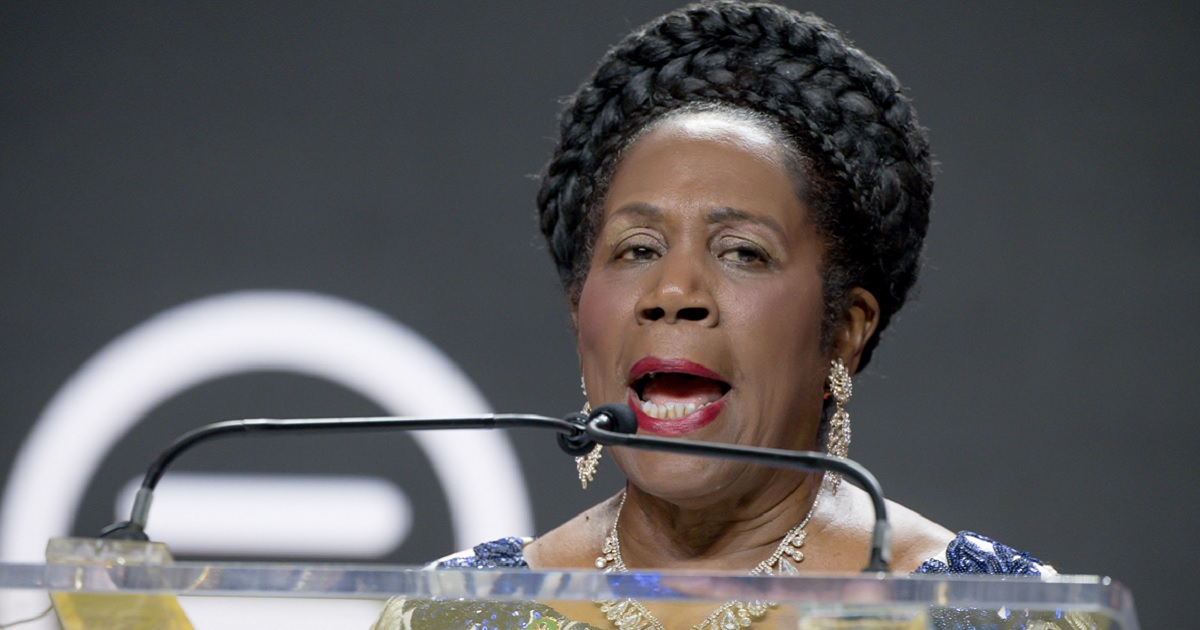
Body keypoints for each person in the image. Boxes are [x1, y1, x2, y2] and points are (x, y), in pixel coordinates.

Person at [376, 2, 1053, 628]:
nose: (675, 291)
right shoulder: (454, 615)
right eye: (638, 248)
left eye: (743, 253)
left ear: (845, 331)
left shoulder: (993, 611)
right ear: (580, 311)